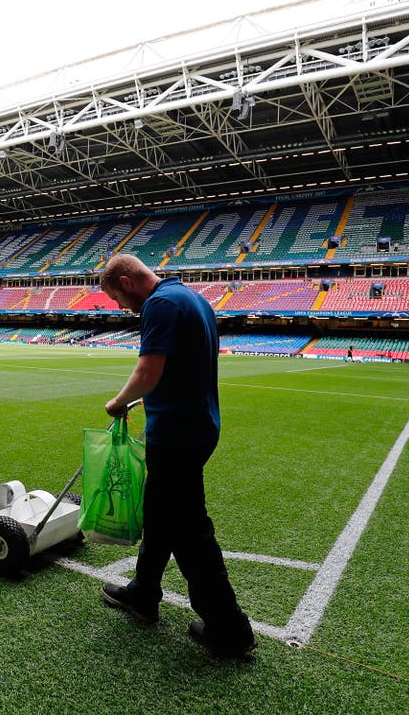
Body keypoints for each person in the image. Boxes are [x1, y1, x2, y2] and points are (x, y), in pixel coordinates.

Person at [97, 253, 256, 659]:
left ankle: (229, 629)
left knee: (189, 531)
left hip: (176, 434)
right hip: (198, 425)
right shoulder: (192, 298)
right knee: (160, 514)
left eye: (117, 298)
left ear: (127, 281)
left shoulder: (160, 304)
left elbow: (148, 371)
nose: (121, 307)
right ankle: (143, 593)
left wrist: (118, 402)